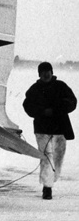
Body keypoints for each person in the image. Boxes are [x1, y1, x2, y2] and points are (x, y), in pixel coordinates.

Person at [23, 61, 75, 200]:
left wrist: (58, 109)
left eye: (48, 71)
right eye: (43, 72)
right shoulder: (34, 89)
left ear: (52, 72)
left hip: (60, 128)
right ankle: (47, 187)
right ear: (39, 74)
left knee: (58, 158)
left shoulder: (61, 86)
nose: (46, 74)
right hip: (42, 129)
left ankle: (52, 180)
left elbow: (72, 102)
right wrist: (42, 111)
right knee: (46, 157)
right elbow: (27, 106)